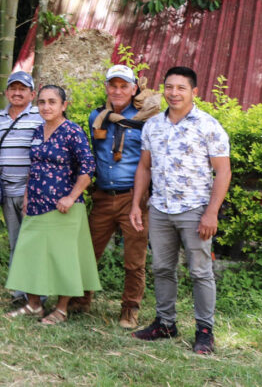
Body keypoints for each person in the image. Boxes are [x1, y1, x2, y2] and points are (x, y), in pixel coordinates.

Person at [130, 66, 231, 355]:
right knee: (162, 268)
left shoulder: (209, 125)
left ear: (194, 92)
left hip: (195, 210)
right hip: (160, 208)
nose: (174, 93)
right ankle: (165, 323)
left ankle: (205, 331)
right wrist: (136, 203)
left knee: (200, 271)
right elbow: (144, 167)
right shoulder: (152, 125)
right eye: (169, 87)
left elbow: (223, 172)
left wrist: (211, 212)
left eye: (181, 88)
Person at [4, 85, 101, 324]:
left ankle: (61, 308)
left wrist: (71, 196)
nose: (46, 107)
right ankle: (34, 304)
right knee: (30, 253)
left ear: (63, 105)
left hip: (63, 207)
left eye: (52, 102)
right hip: (36, 204)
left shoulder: (72, 131)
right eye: (42, 102)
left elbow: (88, 167)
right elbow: (35, 166)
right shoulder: (38, 131)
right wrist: (27, 195)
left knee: (63, 259)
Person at [72, 64, 159, 328]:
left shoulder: (147, 118)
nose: (118, 91)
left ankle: (130, 309)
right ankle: (80, 300)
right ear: (107, 88)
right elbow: (93, 153)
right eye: (113, 85)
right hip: (102, 195)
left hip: (133, 198)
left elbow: (151, 161)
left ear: (134, 89)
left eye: (124, 86)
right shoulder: (96, 117)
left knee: (134, 259)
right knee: (88, 251)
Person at [0, 71, 43, 308]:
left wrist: (34, 189)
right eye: (13, 88)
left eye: (22, 89)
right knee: (15, 243)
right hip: (7, 191)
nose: (17, 93)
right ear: (6, 92)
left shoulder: (40, 116)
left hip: (32, 191)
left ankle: (38, 295)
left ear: (32, 94)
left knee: (34, 243)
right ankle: (19, 291)